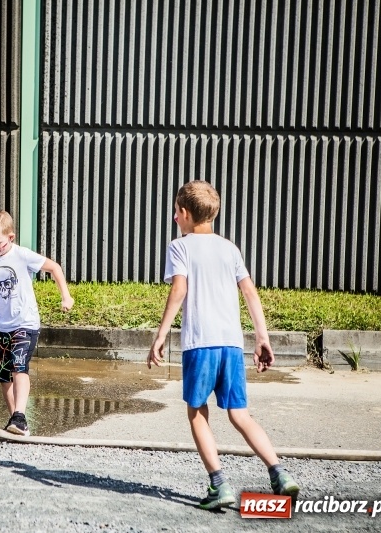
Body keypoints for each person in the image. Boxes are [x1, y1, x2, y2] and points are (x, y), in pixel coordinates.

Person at [147, 180, 300, 510]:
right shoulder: (230, 248)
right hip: (231, 345)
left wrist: (160, 335)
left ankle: (219, 485)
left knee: (197, 413)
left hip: (200, 344)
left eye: (176, 212)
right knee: (240, 414)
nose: (175, 218)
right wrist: (262, 337)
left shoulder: (180, 246)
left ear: (185, 214)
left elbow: (179, 290)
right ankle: (279, 473)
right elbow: (250, 292)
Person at [0, 209, 74, 436]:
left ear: (11, 237)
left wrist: (66, 296)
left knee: (19, 367)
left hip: (25, 323)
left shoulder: (22, 255)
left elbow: (54, 268)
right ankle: (16, 420)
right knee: (2, 374)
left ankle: (19, 416)